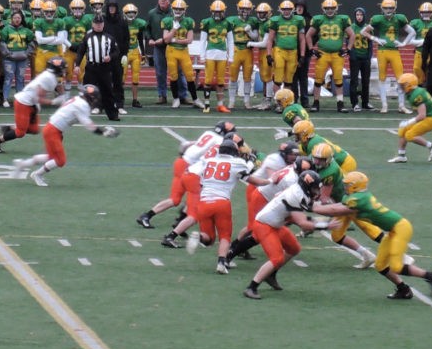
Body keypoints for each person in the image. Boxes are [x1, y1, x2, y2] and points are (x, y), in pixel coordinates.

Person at [313, 172, 432, 299]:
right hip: (393, 230)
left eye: (347, 185)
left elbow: (335, 210)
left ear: (355, 186)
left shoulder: (359, 199)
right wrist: (316, 207)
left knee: (396, 266)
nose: (344, 187)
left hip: (401, 228)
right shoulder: (354, 197)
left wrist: (313, 207)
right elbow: (337, 207)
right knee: (380, 265)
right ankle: (404, 289)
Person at [243, 170, 341, 300]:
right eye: (314, 188)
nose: (316, 191)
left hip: (276, 224)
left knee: (294, 248)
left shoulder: (300, 192)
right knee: (276, 258)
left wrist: (336, 211)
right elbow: (303, 223)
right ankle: (251, 287)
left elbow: (311, 210)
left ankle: (270, 275)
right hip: (264, 225)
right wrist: (327, 225)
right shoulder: (295, 195)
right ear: (306, 186)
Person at [135, 120, 236, 243]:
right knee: (183, 200)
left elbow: (186, 145)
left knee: (181, 198)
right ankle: (163, 220)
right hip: (189, 168)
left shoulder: (208, 133)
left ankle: (173, 220)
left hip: (182, 162)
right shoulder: (220, 142)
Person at [186, 139, 270, 274]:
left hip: (204, 202)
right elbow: (250, 177)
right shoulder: (237, 162)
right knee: (225, 236)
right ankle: (221, 263)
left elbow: (202, 184)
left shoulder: (208, 162)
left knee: (209, 239)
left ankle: (200, 237)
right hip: (221, 202)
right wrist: (269, 180)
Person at [11, 85, 119, 187]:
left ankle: (23, 164)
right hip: (53, 130)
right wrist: (104, 133)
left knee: (51, 157)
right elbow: (89, 126)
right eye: (94, 98)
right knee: (60, 161)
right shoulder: (82, 105)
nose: (95, 100)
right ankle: (37, 174)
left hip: (53, 128)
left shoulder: (78, 100)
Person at [0, 56, 63, 153]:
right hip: (23, 102)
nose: (63, 70)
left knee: (34, 129)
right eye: (61, 67)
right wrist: (54, 102)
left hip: (31, 103)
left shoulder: (51, 76)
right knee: (20, 133)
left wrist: (63, 97)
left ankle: (9, 128)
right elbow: (39, 97)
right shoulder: (49, 78)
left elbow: (58, 84)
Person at [361, 0, 416, 114]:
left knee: (400, 79)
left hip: (395, 51)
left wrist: (403, 44)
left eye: (390, 8)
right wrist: (375, 38)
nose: (388, 10)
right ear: (382, 8)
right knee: (382, 79)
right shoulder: (377, 19)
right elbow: (363, 32)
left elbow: (412, 32)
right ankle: (384, 105)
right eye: (386, 8)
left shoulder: (399, 18)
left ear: (394, 8)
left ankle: (401, 105)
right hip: (382, 51)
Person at [306, 0, 354, 112]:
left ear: (336, 8)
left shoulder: (342, 19)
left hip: (337, 54)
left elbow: (352, 35)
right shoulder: (319, 20)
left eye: (332, 8)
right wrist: (311, 49)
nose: (329, 10)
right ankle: (316, 103)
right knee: (318, 80)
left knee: (338, 80)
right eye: (327, 8)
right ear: (323, 8)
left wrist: (348, 49)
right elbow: (308, 35)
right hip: (323, 54)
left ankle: (340, 103)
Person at [388, 73, 432, 163]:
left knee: (409, 135)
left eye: (402, 85)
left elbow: (422, 115)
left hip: (430, 119)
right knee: (402, 130)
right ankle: (401, 155)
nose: (400, 87)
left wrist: (408, 122)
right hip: (427, 117)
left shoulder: (416, 95)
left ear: (409, 85)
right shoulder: (414, 92)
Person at [74, 15, 120, 120]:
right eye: (96, 23)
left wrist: (110, 57)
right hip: (91, 68)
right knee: (86, 91)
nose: (98, 25)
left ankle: (112, 115)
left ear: (103, 24)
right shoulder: (87, 37)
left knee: (108, 91)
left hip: (104, 68)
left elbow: (116, 51)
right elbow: (81, 52)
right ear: (93, 24)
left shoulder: (109, 37)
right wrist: (77, 65)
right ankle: (81, 114)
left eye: (100, 23)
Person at [145, 0, 187, 104]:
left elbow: (181, 26)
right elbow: (146, 28)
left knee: (179, 71)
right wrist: (149, 38)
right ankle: (162, 95)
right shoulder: (152, 13)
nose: (163, 1)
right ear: (158, 0)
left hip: (173, 46)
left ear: (169, 1)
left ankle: (183, 95)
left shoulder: (174, 12)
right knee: (160, 72)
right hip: (158, 47)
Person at [162, 0, 204, 109]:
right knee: (173, 75)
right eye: (176, 9)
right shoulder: (167, 21)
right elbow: (166, 39)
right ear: (172, 9)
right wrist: (174, 30)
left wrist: (175, 40)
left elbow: (189, 40)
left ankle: (195, 99)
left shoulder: (188, 21)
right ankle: (176, 99)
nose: (178, 11)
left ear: (184, 10)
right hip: (171, 51)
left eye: (180, 9)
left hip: (183, 51)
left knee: (189, 75)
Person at [0, 10, 36, 109]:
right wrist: (7, 54)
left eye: (19, 18)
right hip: (9, 58)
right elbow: (2, 43)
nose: (17, 20)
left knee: (20, 79)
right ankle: (5, 99)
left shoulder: (26, 30)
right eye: (15, 18)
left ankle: (20, 99)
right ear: (11, 19)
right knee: (8, 78)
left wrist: (26, 54)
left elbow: (31, 43)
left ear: (22, 19)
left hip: (22, 58)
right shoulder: (6, 29)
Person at [199, 0, 231, 113]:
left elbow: (230, 41)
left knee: (221, 81)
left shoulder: (227, 23)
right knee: (208, 80)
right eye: (215, 12)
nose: (217, 14)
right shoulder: (207, 22)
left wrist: (230, 57)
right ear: (212, 12)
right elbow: (202, 41)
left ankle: (220, 105)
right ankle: (207, 104)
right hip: (210, 54)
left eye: (219, 12)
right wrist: (202, 56)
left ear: (223, 12)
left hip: (222, 54)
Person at [268, 0, 306, 94]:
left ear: (292, 10)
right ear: (280, 10)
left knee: (289, 80)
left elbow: (302, 39)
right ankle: (278, 102)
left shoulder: (299, 20)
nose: (286, 11)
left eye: (288, 9)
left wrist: (302, 55)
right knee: (278, 79)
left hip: (293, 52)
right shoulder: (275, 20)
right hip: (280, 51)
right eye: (284, 9)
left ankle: (285, 101)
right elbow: (270, 39)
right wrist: (268, 54)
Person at [226, 0, 258, 109]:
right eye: (243, 9)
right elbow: (227, 36)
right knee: (233, 76)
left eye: (247, 9)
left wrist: (249, 32)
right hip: (235, 49)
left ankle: (247, 101)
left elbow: (256, 37)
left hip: (247, 50)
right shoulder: (231, 20)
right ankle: (232, 100)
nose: (244, 11)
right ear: (238, 8)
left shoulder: (253, 20)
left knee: (247, 76)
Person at [104, 0, 130, 114]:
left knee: (118, 81)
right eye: (110, 7)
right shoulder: (103, 21)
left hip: (118, 56)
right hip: (105, 55)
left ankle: (119, 105)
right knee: (103, 81)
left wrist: (125, 54)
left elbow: (126, 39)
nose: (112, 9)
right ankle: (102, 105)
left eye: (114, 7)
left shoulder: (122, 22)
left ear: (117, 8)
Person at [348, 7, 373, 112]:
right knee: (354, 81)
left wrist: (369, 56)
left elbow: (370, 43)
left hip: (365, 57)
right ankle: (354, 103)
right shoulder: (352, 27)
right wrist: (352, 55)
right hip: (355, 57)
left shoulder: (368, 28)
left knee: (365, 81)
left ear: (364, 16)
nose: (359, 17)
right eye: (357, 15)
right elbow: (348, 42)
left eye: (361, 15)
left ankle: (365, 102)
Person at [122, 3, 147, 109]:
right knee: (122, 76)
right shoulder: (121, 24)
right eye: (129, 13)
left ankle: (135, 100)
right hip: (125, 52)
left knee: (135, 77)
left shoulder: (139, 24)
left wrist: (144, 53)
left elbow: (140, 39)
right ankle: (120, 98)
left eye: (132, 13)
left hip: (135, 52)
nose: (131, 15)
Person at [409, 2, 432, 86]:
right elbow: (410, 40)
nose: (426, 15)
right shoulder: (416, 22)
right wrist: (421, 42)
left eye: (428, 12)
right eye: (424, 12)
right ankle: (419, 87)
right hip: (419, 51)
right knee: (417, 69)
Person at [291, 0, 312, 107]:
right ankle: (294, 98)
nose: (299, 8)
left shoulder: (309, 19)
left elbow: (314, 34)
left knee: (303, 77)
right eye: (297, 6)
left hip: (306, 53)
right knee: (293, 77)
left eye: (301, 6)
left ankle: (305, 100)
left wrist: (310, 45)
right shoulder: (291, 19)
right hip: (292, 52)